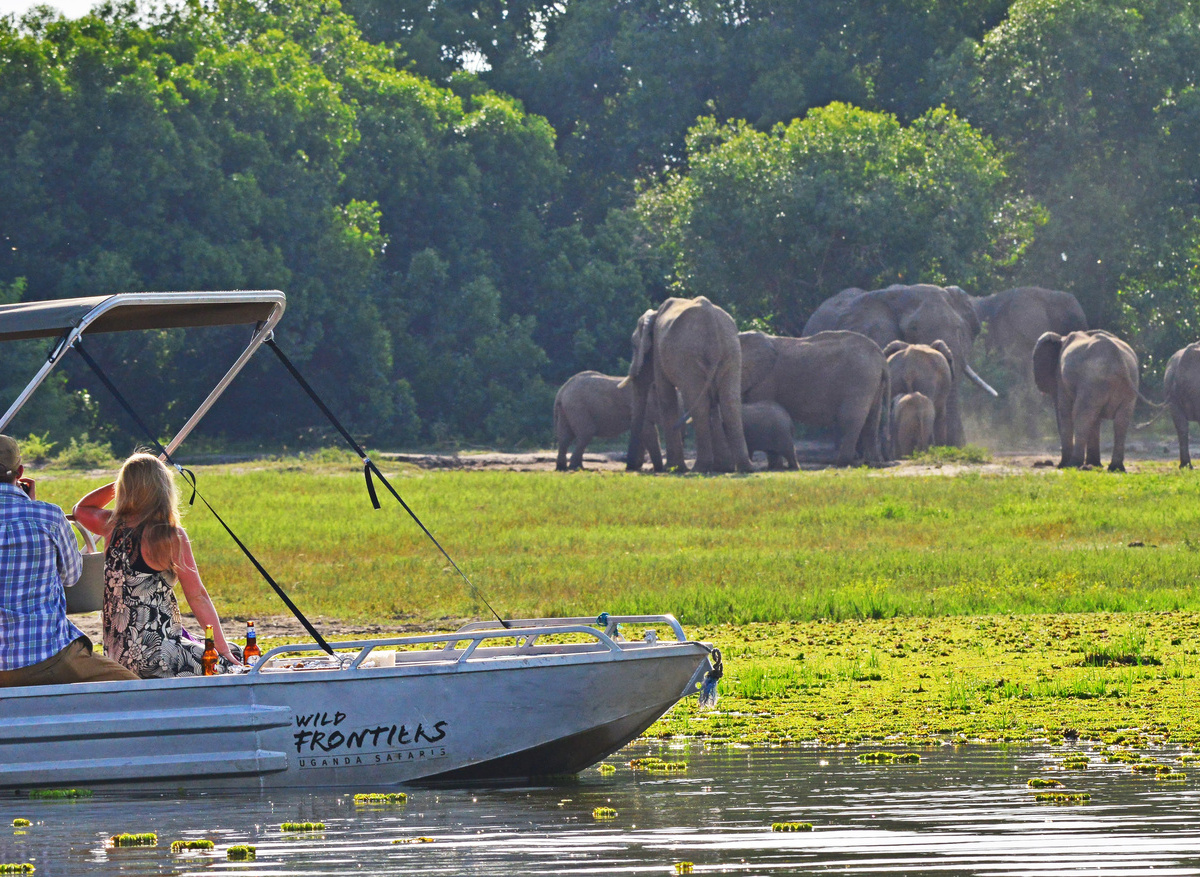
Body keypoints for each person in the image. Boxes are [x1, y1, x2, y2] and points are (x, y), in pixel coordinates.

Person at [74, 452, 242, 678]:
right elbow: (198, 596)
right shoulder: (170, 535)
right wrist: (220, 649)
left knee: (224, 650)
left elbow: (81, 509)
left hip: (119, 658)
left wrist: (127, 482)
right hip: (160, 657)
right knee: (234, 657)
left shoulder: (112, 526)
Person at [0, 435, 137, 687]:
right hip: (47, 654)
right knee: (135, 688)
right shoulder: (48, 516)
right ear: (20, 472)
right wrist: (31, 506)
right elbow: (72, 576)